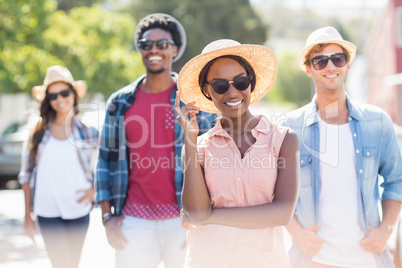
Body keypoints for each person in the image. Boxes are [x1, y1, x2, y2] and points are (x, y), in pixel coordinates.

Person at [95, 13, 214, 268]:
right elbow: (105, 161)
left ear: (175, 50)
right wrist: (107, 217)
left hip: (185, 220)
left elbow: (212, 160)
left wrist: (205, 219)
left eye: (163, 44)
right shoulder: (119, 102)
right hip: (134, 220)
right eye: (147, 44)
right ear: (140, 49)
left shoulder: (193, 102)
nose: (154, 50)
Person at [281, 26, 402, 268]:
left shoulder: (377, 121)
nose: (330, 66)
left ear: (347, 65)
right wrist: (297, 233)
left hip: (369, 260)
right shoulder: (289, 126)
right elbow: (272, 189)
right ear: (307, 68)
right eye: (320, 61)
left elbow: (396, 180)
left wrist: (386, 228)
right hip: (313, 260)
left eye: (338, 58)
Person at [175, 39, 300, 268]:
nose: (232, 92)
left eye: (241, 82)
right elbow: (196, 211)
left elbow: (282, 213)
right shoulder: (197, 147)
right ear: (207, 90)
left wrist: (210, 217)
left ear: (251, 83)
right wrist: (190, 141)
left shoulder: (284, 139)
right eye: (221, 85)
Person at [19, 65, 99, 268]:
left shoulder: (88, 133)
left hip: (79, 210)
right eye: (53, 95)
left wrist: (95, 191)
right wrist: (27, 215)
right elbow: (26, 175)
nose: (60, 99)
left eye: (64, 93)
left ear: (73, 94)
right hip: (47, 212)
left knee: (73, 263)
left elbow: (105, 167)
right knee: (61, 264)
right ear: (47, 100)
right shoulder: (36, 133)